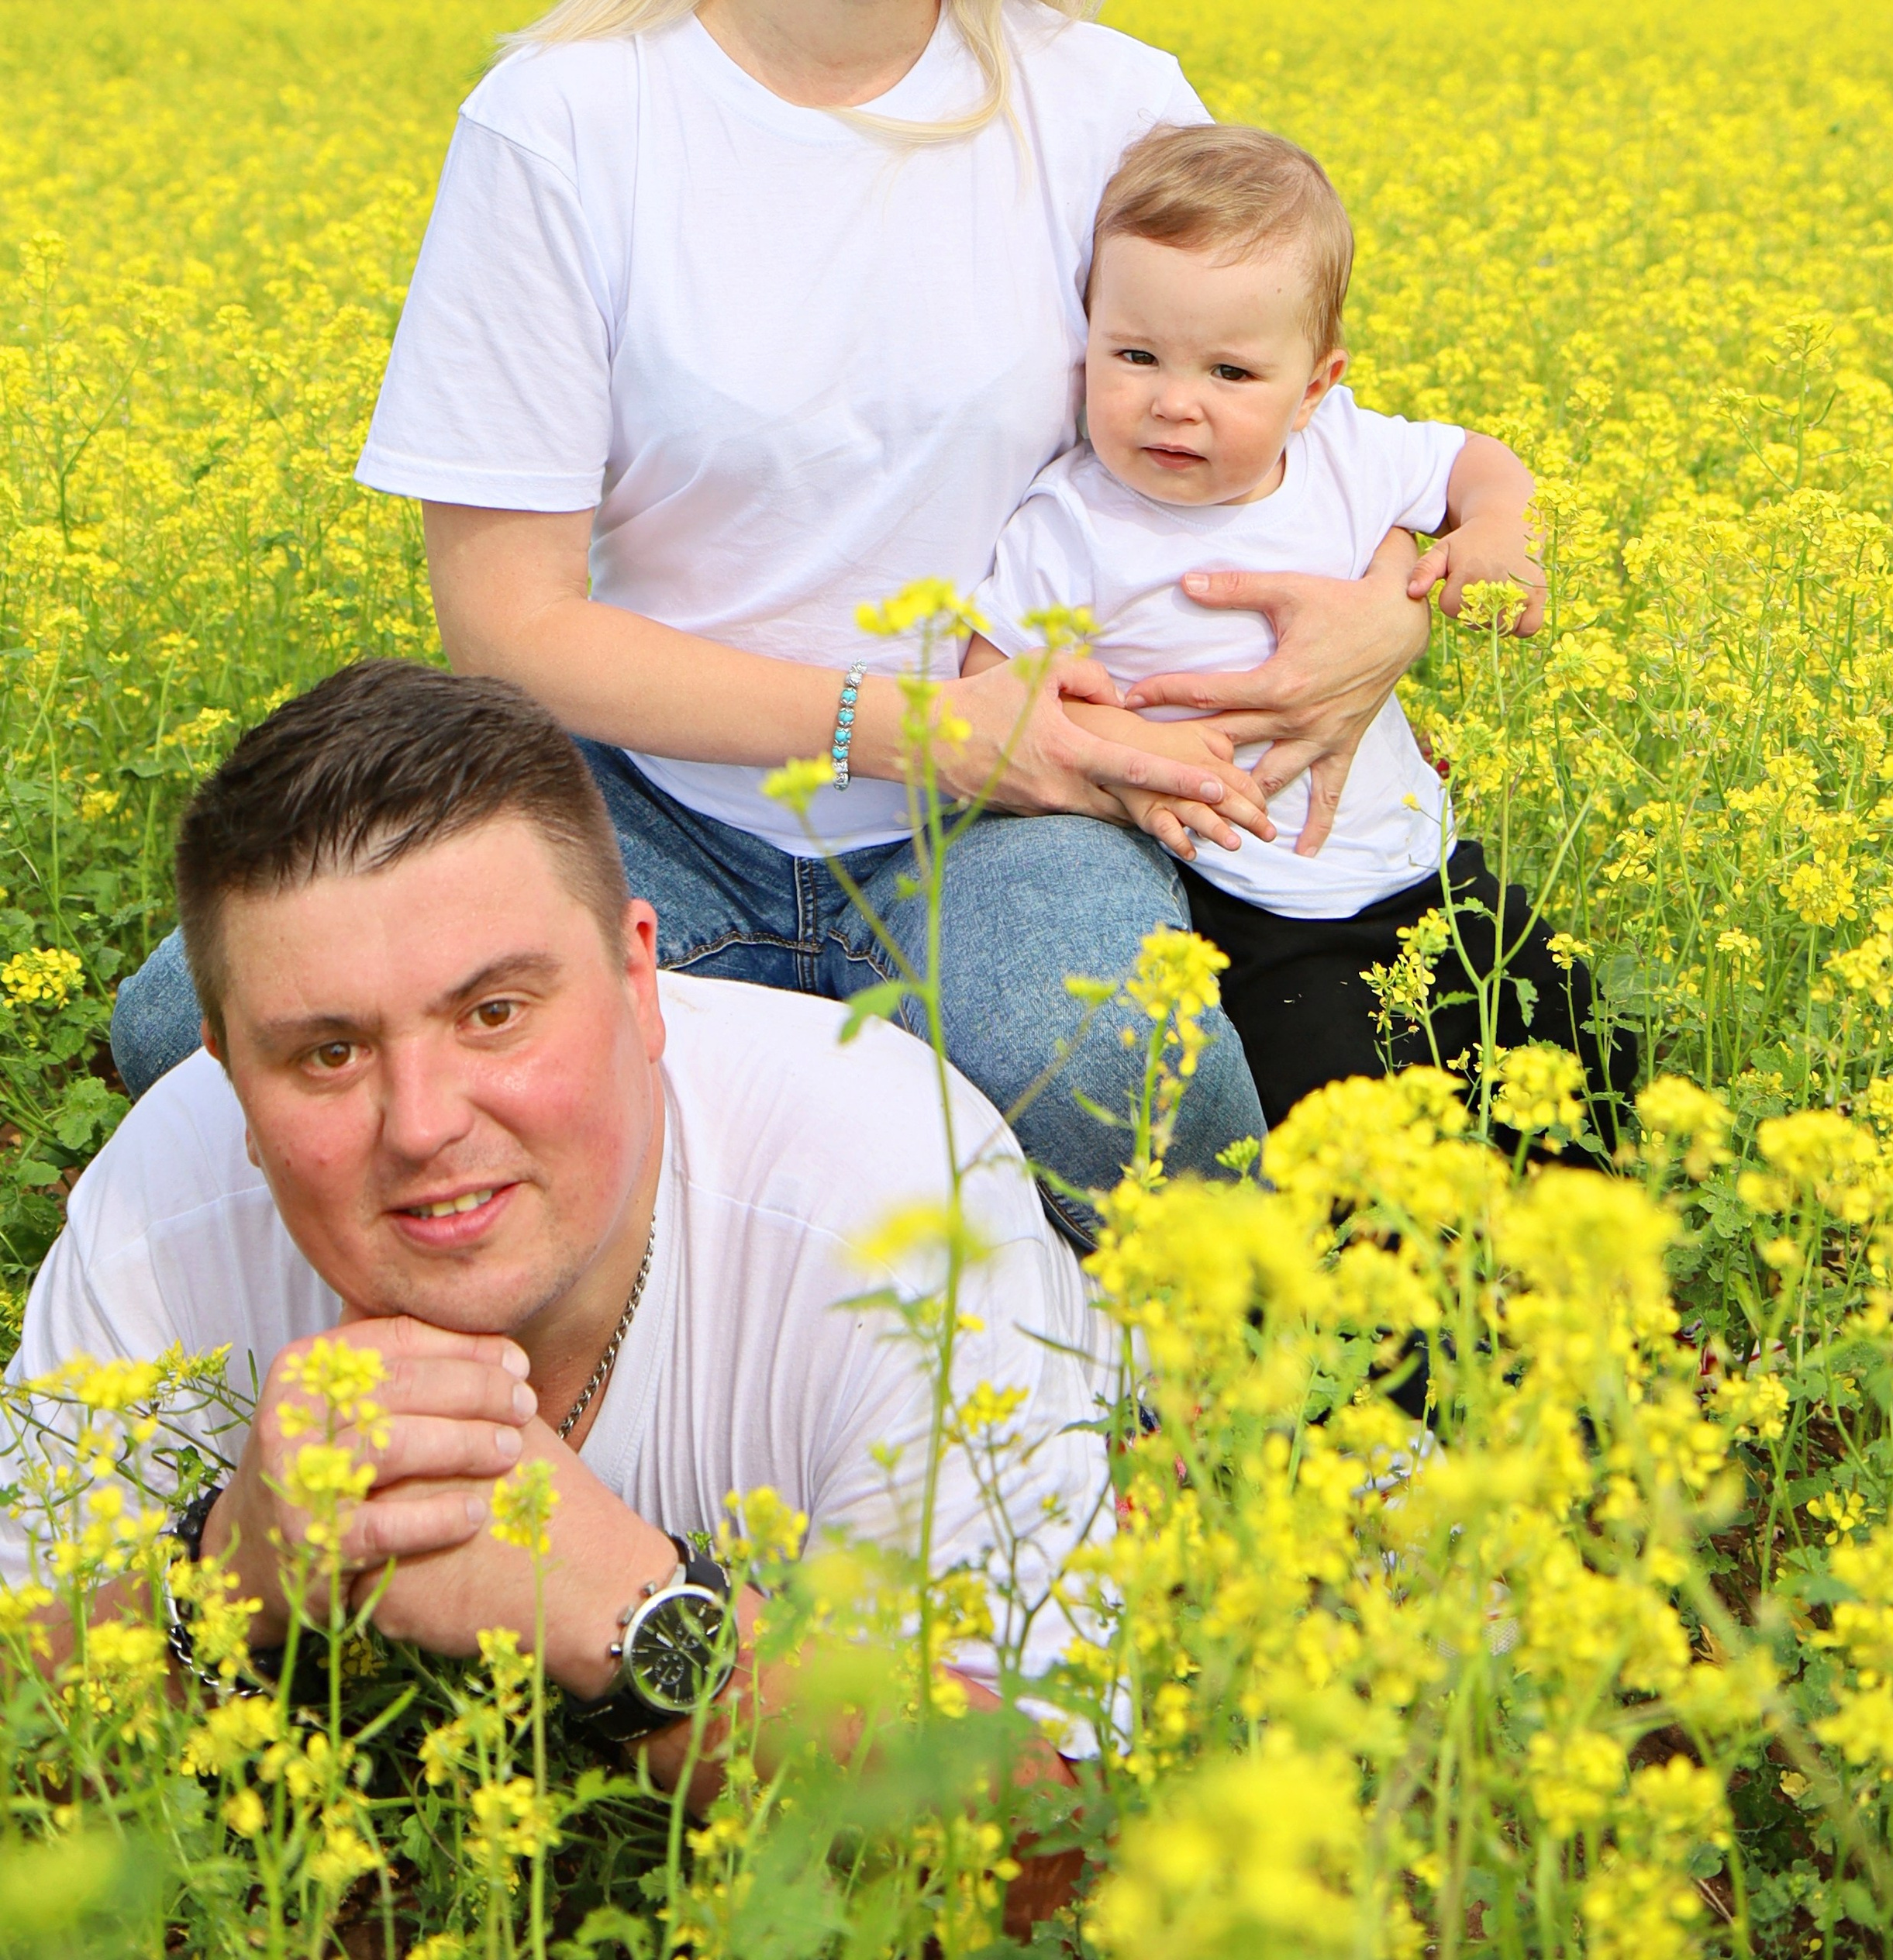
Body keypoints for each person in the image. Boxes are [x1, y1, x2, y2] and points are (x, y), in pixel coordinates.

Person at [109, 0, 1436, 1238]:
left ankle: (1176, 1450)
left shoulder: (1107, 104)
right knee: (195, 1042)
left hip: (1007, 827)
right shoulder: (566, 121)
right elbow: (509, 626)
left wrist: (1393, 614)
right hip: (651, 808)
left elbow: (1309, 435)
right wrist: (933, 730)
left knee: (1105, 1063)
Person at [5, 661, 1105, 1893]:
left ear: (641, 979)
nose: (420, 1126)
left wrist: (634, 1619)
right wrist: (230, 1572)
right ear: (227, 1075)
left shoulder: (898, 1206)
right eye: (327, 1051)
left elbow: (1053, 1855)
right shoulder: (168, 1197)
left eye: (493, 1015)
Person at [966, 121, 1632, 1131]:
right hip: (1255, 916)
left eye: (1230, 375)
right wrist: (1138, 749)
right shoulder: (1073, 520)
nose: (1175, 405)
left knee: (1595, 1067)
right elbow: (993, 689)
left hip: (1434, 872)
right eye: (1135, 356)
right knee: (1345, 1140)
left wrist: (1495, 526)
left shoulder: (1347, 457)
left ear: (1316, 386)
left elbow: (1481, 464)